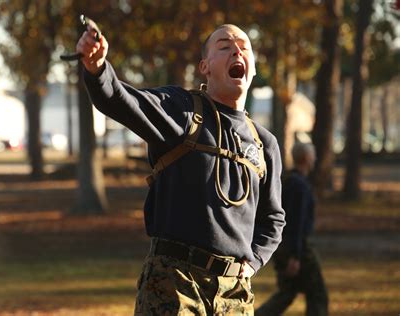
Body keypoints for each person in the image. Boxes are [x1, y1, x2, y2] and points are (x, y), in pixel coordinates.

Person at [76, 23, 285, 315]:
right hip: (175, 283)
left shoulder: (265, 143)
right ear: (205, 66)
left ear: (251, 69)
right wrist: (98, 68)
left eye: (244, 47)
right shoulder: (183, 111)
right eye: (224, 46)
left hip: (235, 293)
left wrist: (252, 263)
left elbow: (273, 219)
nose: (236, 50)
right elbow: (122, 101)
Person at [256, 142, 328, 316]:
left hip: (283, 247)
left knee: (286, 293)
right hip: (298, 249)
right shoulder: (299, 186)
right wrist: (295, 256)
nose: (315, 159)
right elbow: (296, 223)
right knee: (318, 295)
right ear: (307, 158)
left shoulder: (286, 180)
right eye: (313, 156)